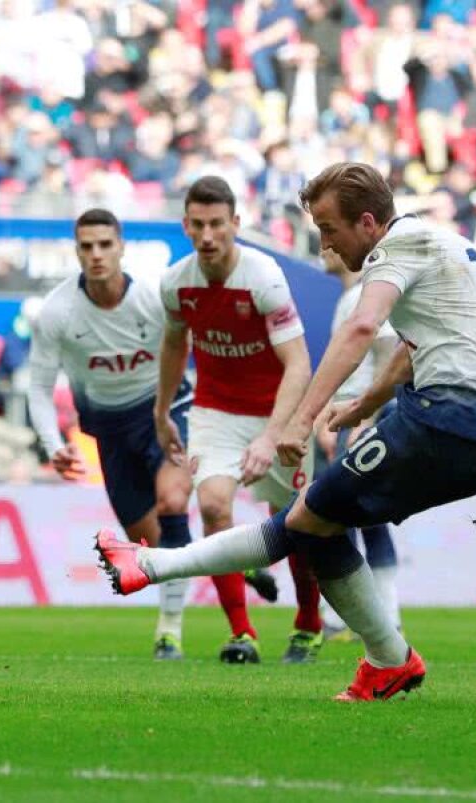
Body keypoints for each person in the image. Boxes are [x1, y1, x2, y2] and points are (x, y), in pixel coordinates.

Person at [98, 162, 476, 701]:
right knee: (314, 520)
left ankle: (154, 564)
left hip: (443, 419)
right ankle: (386, 659)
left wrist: (301, 420)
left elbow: (362, 327)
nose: (324, 246)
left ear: (367, 223)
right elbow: (413, 348)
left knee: (307, 518)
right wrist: (367, 402)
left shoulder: (396, 249)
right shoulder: (446, 247)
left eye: (328, 229)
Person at [154, 177, 321, 665]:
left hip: (279, 412)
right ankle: (242, 633)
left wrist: (272, 436)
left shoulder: (264, 277)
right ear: (186, 226)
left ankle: (308, 624)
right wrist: (162, 410)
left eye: (217, 224)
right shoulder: (176, 283)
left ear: (236, 224)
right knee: (212, 505)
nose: (208, 235)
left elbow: (299, 364)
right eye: (198, 225)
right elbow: (174, 345)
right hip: (216, 411)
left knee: (296, 525)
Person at [27, 208, 195, 660]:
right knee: (152, 544)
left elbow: (188, 348)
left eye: (105, 245)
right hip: (110, 430)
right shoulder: (58, 312)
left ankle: (169, 631)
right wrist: (53, 445)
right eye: (87, 247)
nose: (97, 254)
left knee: (173, 502)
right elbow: (39, 388)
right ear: (77, 252)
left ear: (121, 247)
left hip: (164, 409)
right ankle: (228, 564)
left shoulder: (153, 298)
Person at [318, 242, 403, 639]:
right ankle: (382, 614)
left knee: (343, 515)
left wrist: (367, 418)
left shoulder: (368, 295)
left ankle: (348, 616)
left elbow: (387, 355)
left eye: (330, 239)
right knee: (363, 517)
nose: (323, 248)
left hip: (364, 416)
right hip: (350, 414)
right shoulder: (351, 297)